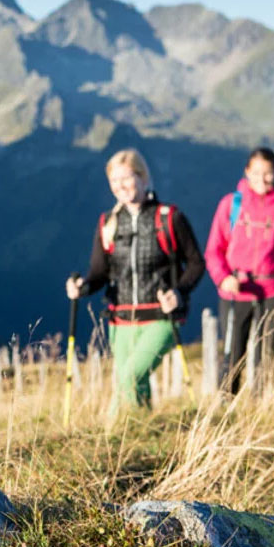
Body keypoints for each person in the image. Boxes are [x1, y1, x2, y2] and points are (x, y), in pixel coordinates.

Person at [66, 148, 204, 417]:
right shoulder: (108, 223)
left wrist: (179, 292)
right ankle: (142, 434)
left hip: (162, 318)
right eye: (114, 182)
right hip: (121, 321)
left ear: (143, 177)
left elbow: (196, 263)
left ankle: (109, 437)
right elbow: (99, 273)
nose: (121, 186)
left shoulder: (169, 217)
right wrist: (81, 287)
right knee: (131, 384)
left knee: (129, 376)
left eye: (127, 178)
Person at [205, 147, 274, 394]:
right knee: (232, 354)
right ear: (247, 172)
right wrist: (223, 278)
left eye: (268, 173)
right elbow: (214, 250)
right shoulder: (231, 205)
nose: (262, 179)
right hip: (236, 290)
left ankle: (259, 412)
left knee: (266, 354)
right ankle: (226, 411)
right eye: (257, 172)